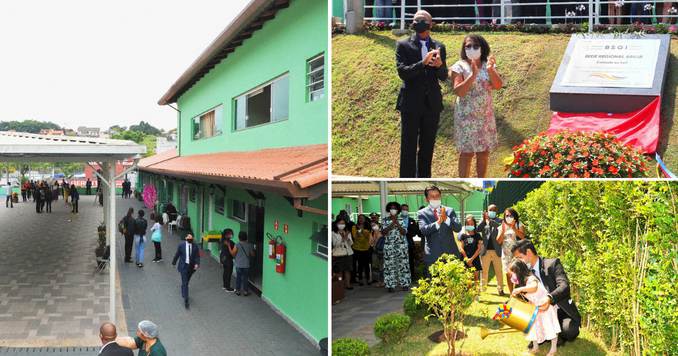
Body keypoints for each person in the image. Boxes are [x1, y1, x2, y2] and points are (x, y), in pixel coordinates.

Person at [396, 10, 448, 178]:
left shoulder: (439, 46)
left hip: (431, 103)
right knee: (408, 146)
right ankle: (406, 177)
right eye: (416, 20)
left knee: (427, 147)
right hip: (411, 103)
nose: (419, 23)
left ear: (430, 24)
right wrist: (422, 63)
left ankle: (425, 178)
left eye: (423, 20)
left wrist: (440, 65)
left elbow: (443, 76)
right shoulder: (403, 45)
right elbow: (403, 72)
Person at [512, 239, 581, 348]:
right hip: (538, 313)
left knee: (570, 331)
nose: (517, 261)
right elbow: (521, 294)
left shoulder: (553, 264)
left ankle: (556, 335)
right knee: (517, 314)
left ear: (528, 252)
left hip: (559, 309)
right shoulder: (523, 271)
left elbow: (564, 286)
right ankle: (542, 334)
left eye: (519, 257)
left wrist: (549, 298)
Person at [450, 34, 502, 178]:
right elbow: (459, 91)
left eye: (475, 46)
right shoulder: (459, 66)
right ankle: (463, 179)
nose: (471, 49)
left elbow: (498, 85)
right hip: (466, 117)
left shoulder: (488, 65)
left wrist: (491, 70)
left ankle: (481, 180)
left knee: (483, 152)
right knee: (467, 153)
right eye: (468, 46)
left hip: (485, 116)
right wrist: (472, 75)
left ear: (482, 48)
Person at [508, 258, 561, 355]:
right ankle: (535, 347)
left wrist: (520, 289)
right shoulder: (521, 283)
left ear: (519, 272)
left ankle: (553, 349)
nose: (512, 276)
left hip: (545, 306)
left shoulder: (531, 279)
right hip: (535, 308)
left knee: (550, 327)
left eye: (513, 273)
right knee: (533, 328)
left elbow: (534, 288)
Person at [417, 185, 462, 275]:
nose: (435, 198)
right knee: (435, 286)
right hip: (433, 255)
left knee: (451, 286)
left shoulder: (449, 210)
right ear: (426, 199)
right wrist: (438, 222)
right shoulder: (422, 213)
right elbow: (423, 230)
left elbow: (458, 228)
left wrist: (447, 219)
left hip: (450, 255)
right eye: (432, 196)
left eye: (437, 195)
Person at [382, 202, 411, 292]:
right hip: (389, 247)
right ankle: (390, 285)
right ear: (388, 210)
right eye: (391, 208)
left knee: (404, 265)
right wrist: (392, 223)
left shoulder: (402, 219)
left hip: (401, 246)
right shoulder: (385, 220)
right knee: (389, 266)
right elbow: (383, 232)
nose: (393, 209)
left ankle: (405, 284)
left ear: (398, 210)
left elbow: (404, 232)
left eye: (394, 208)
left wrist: (397, 223)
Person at [478, 204, 504, 295]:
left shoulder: (500, 221)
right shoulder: (483, 221)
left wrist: (490, 221)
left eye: (494, 210)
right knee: (484, 271)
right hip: (485, 250)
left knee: (498, 271)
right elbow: (478, 229)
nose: (492, 211)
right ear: (487, 210)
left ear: (496, 212)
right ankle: (483, 288)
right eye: (490, 210)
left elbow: (499, 227)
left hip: (496, 250)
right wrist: (484, 221)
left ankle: (500, 289)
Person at [498, 207, 525, 292]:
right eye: (507, 215)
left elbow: (522, 236)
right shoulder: (502, 226)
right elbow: (498, 241)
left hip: (518, 254)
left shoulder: (519, 224)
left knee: (517, 273)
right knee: (508, 274)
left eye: (510, 215)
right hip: (506, 255)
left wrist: (513, 228)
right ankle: (511, 294)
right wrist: (502, 231)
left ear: (514, 216)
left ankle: (518, 292)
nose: (508, 217)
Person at [172, 234, 200, 309]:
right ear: (186, 238)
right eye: (188, 238)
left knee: (186, 281)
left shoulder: (195, 246)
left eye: (191, 238)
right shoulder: (181, 245)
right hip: (183, 266)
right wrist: (174, 262)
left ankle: (184, 289)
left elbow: (197, 256)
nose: (190, 239)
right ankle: (186, 299)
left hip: (191, 268)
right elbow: (177, 254)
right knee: (185, 282)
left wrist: (197, 264)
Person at [458, 215, 483, 293]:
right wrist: (466, 259)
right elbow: (461, 248)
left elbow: (479, 249)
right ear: (466, 225)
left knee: (476, 278)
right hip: (465, 260)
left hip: (475, 259)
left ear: (474, 225)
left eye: (472, 224)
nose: (470, 225)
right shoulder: (463, 236)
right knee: (467, 278)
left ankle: (476, 294)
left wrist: (471, 259)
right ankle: (468, 295)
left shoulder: (478, 235)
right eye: (468, 224)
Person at [228, 231, 255, 296]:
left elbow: (232, 253)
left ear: (239, 237)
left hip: (238, 265)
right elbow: (253, 255)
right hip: (246, 265)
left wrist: (229, 246)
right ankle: (245, 291)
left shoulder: (237, 245)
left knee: (238, 278)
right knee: (245, 279)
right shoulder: (249, 245)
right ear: (246, 237)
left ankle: (238, 291)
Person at [332, 217, 354, 291]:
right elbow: (335, 244)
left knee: (347, 270)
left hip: (348, 253)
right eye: (340, 223)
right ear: (336, 224)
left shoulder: (347, 232)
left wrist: (347, 237)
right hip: (338, 254)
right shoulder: (333, 233)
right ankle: (340, 285)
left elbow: (351, 243)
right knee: (339, 271)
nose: (342, 225)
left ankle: (348, 284)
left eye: (343, 223)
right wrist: (344, 237)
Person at [350, 214, 372, 286]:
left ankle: (368, 278)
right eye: (360, 218)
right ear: (358, 219)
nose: (361, 220)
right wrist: (362, 232)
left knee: (366, 265)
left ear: (365, 219)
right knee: (359, 265)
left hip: (366, 248)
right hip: (357, 248)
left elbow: (368, 235)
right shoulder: (354, 227)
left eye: (362, 218)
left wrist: (361, 231)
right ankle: (360, 279)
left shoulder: (368, 226)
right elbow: (355, 236)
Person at [401, 204, 420, 279]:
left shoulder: (412, 220)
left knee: (410, 261)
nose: (405, 211)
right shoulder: (397, 220)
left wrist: (405, 232)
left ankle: (411, 276)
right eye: (403, 209)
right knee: (401, 261)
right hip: (399, 244)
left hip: (409, 244)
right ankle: (401, 277)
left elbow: (414, 232)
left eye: (406, 209)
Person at [368, 219, 384, 287]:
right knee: (376, 267)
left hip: (382, 251)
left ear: (378, 225)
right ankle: (378, 281)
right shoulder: (371, 233)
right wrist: (374, 240)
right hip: (375, 251)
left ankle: (383, 281)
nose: (373, 227)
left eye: (374, 225)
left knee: (382, 267)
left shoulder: (383, 231)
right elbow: (370, 243)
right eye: (372, 226)